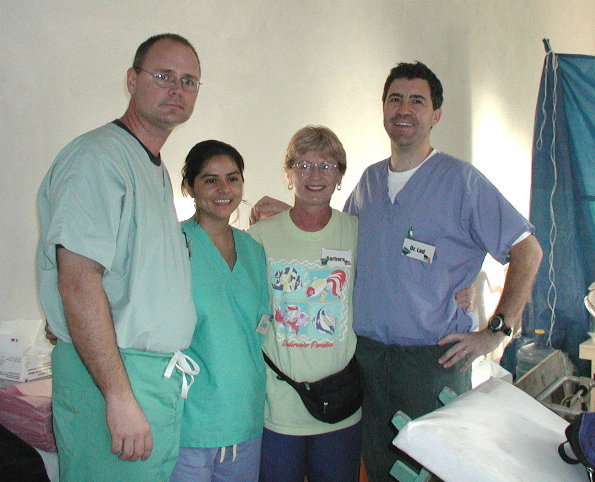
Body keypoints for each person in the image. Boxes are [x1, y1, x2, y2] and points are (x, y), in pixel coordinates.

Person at [250, 62, 543, 480]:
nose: (404, 109)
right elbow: (336, 242)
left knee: (430, 470)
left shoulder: (461, 182)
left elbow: (527, 249)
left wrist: (497, 328)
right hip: (366, 359)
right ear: (384, 109)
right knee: (378, 468)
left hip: (431, 360)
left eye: (417, 100)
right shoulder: (368, 184)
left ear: (435, 115)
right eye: (395, 99)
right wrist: (288, 211)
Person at [36, 33, 201, 481]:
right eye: (163, 76)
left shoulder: (153, 167)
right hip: (112, 377)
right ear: (132, 80)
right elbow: (78, 281)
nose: (176, 90)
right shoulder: (98, 158)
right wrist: (118, 396)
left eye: (189, 82)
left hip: (148, 379)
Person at [248, 126, 362, 482]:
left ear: (341, 174)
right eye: (304, 165)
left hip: (340, 404)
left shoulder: (357, 231)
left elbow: (393, 282)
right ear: (288, 172)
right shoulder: (261, 236)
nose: (315, 175)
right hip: (279, 404)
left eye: (327, 166)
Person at [171, 140, 269, 481]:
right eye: (211, 180)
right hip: (189, 419)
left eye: (233, 178)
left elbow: (262, 325)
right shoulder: (172, 245)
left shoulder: (253, 250)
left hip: (245, 414)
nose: (224, 189)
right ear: (189, 187)